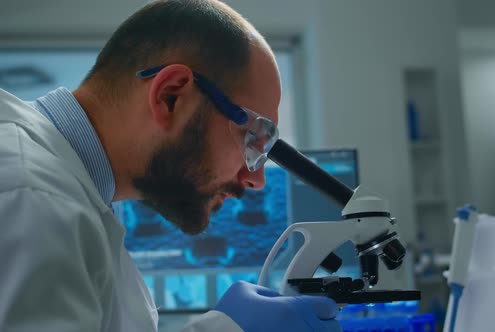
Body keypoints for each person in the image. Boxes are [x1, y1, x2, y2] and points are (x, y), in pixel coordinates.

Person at [0, 0, 341, 331]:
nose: (256, 179)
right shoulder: (32, 198)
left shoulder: (74, 191)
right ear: (171, 96)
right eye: (253, 137)